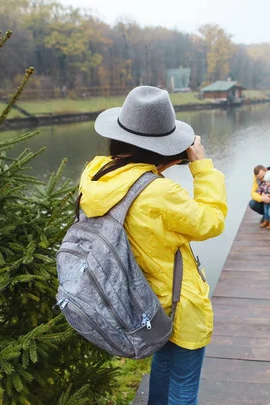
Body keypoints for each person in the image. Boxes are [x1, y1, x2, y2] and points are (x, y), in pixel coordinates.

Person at [77, 86, 228, 405]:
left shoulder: (96, 176)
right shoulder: (160, 193)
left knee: (161, 367)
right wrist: (201, 165)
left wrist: (158, 164)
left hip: (138, 299)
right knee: (184, 386)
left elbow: (133, 191)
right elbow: (211, 221)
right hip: (176, 301)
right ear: (163, 147)